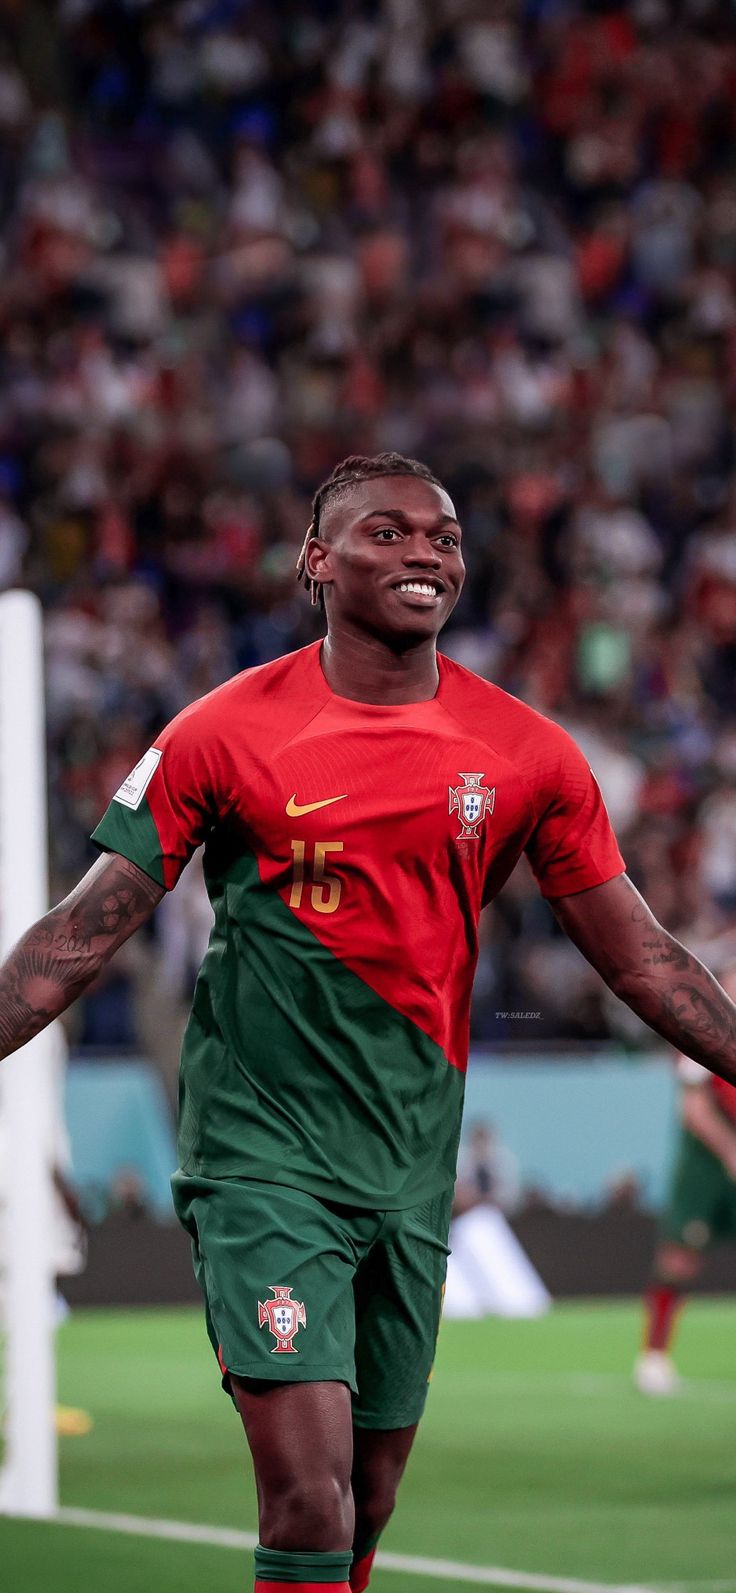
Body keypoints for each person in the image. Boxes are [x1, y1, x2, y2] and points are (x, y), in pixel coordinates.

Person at [1, 451, 735, 1593]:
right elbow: (79, 937)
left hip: (408, 1165)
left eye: (440, 536)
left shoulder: (529, 755)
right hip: (258, 1156)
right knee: (305, 1498)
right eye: (385, 533)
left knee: (368, 1500)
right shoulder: (222, 730)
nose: (423, 553)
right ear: (315, 563)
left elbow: (641, 960)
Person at [635, 961, 736, 1397]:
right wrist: (732, 1153)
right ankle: (654, 1356)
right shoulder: (702, 1030)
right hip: (706, 1169)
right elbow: (693, 1110)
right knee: (680, 1259)